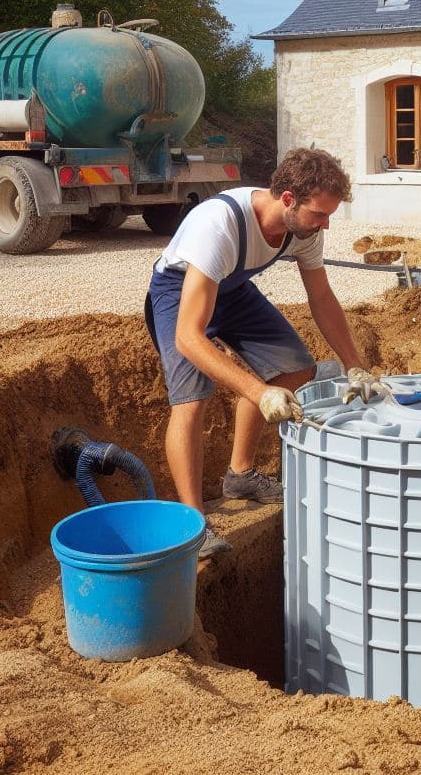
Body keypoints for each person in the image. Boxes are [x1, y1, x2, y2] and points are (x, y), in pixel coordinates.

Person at [145, 147, 385, 558]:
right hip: (178, 291)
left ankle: (240, 476)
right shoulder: (218, 226)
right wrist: (259, 393)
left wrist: (354, 365)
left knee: (293, 370)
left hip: (233, 290)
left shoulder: (303, 229)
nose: (325, 223)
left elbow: (322, 297)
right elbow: (188, 335)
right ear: (288, 199)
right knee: (192, 399)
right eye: (319, 214)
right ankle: (194, 526)